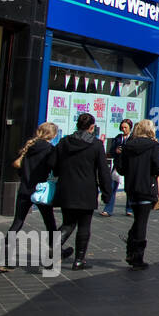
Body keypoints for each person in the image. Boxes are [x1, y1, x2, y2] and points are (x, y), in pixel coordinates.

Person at [54, 113, 111, 271]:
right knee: (84, 225)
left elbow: (54, 162)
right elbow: (103, 171)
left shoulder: (65, 141)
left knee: (68, 222)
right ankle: (79, 260)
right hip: (86, 190)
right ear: (91, 127)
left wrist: (60, 172)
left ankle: (54, 246)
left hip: (66, 188)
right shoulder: (96, 145)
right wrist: (107, 193)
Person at [4, 122, 60, 272]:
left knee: (17, 223)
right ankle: (53, 255)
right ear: (53, 135)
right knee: (50, 224)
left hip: (24, 189)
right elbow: (55, 169)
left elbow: (20, 168)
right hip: (40, 191)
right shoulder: (50, 150)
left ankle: (6, 260)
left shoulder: (29, 148)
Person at [121, 120, 159, 270]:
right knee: (141, 222)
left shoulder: (128, 145)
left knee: (138, 219)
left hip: (132, 187)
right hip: (147, 187)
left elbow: (121, 168)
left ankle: (131, 249)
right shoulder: (153, 146)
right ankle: (137, 257)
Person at [101, 119, 133, 217]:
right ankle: (108, 209)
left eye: (125, 128)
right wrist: (116, 151)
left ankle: (129, 209)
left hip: (129, 166)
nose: (123, 129)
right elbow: (111, 151)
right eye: (122, 127)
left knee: (130, 189)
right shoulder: (118, 138)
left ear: (130, 128)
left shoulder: (133, 139)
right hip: (118, 165)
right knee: (112, 187)